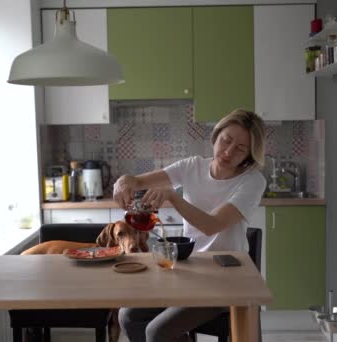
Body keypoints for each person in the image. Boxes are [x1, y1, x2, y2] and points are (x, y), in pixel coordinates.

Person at [113, 108, 267, 342]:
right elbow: (138, 182)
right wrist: (123, 182)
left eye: (240, 149)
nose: (227, 151)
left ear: (249, 155)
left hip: (228, 279)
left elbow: (212, 225)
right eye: (226, 140)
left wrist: (174, 197)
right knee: (128, 316)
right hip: (191, 270)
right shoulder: (192, 166)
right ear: (216, 135)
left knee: (157, 332)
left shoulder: (252, 181)